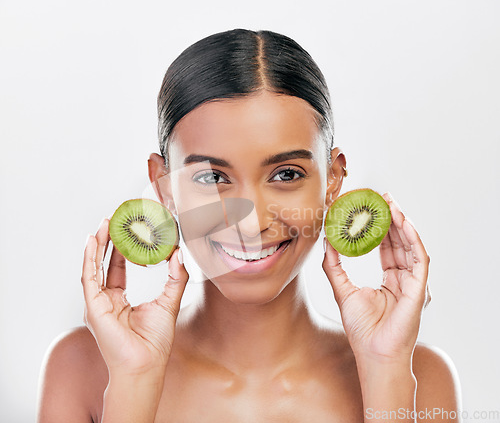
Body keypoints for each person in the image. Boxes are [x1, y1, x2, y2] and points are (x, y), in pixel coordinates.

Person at [37, 28, 461, 422]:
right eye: (212, 178)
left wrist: (386, 370)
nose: (253, 222)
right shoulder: (84, 369)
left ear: (333, 181)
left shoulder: (419, 376)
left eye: (286, 174)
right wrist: (134, 381)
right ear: (164, 186)